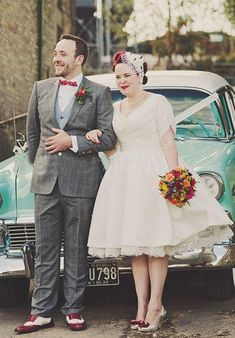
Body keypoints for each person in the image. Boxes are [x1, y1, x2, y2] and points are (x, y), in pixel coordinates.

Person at [86, 51, 233, 333]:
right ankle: (141, 305)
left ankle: (156, 305)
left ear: (140, 75)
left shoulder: (158, 103)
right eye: (117, 77)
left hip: (154, 172)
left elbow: (167, 142)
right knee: (136, 247)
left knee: (155, 244)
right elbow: (115, 148)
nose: (122, 81)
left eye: (127, 76)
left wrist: (175, 176)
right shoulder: (116, 109)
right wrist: (98, 138)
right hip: (124, 174)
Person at [15, 34, 116, 334]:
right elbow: (33, 135)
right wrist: (39, 167)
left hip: (82, 181)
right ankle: (40, 312)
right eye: (55, 53)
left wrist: (71, 141)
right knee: (45, 249)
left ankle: (74, 309)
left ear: (79, 59)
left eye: (63, 54)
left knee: (75, 249)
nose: (56, 58)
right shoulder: (40, 88)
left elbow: (109, 138)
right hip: (45, 182)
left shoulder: (98, 92)